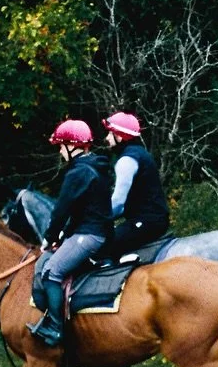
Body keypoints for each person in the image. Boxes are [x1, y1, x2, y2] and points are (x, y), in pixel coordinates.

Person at [29, 119, 115, 347]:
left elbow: (61, 210)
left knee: (51, 272)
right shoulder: (94, 167)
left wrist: (48, 238)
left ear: (73, 145)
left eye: (61, 145)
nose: (59, 150)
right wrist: (63, 237)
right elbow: (78, 211)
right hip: (94, 232)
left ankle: (55, 329)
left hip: (88, 235)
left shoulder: (78, 173)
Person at [100, 111, 170, 258]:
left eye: (109, 134)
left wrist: (96, 220)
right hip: (154, 220)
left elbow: (118, 204)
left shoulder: (126, 160)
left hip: (145, 222)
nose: (107, 138)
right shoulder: (140, 153)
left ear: (119, 136)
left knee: (102, 246)